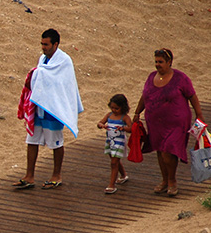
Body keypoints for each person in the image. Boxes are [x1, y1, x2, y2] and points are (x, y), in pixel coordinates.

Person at [14, 28, 84, 190]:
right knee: (31, 140)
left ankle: (56, 175)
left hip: (54, 108)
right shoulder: (42, 59)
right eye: (42, 44)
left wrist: (38, 74)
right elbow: (41, 77)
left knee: (56, 142)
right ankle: (29, 176)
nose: (43, 47)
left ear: (55, 44)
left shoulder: (64, 61)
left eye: (46, 44)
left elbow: (62, 84)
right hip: (39, 106)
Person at [132, 48, 205, 197]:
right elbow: (144, 96)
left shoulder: (180, 78)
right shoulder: (151, 77)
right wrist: (137, 112)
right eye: (156, 62)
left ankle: (172, 181)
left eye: (161, 62)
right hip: (155, 122)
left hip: (176, 122)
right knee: (160, 150)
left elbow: (192, 96)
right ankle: (164, 180)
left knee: (168, 150)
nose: (157, 65)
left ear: (169, 62)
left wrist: (199, 114)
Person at [97, 94, 133, 194]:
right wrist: (101, 125)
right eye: (112, 108)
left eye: (116, 108)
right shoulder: (109, 115)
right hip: (110, 141)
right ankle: (123, 175)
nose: (114, 110)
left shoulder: (125, 117)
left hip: (119, 142)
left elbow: (131, 128)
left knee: (114, 162)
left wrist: (123, 128)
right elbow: (100, 122)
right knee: (114, 160)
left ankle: (111, 185)